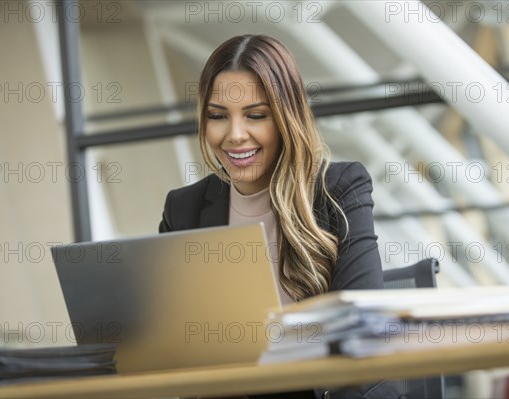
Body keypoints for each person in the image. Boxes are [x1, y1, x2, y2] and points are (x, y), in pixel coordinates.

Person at [159, 34, 402, 399]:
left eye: (256, 116)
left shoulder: (338, 189)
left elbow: (364, 331)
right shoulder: (183, 209)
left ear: (287, 117)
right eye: (217, 116)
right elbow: (168, 341)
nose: (235, 135)